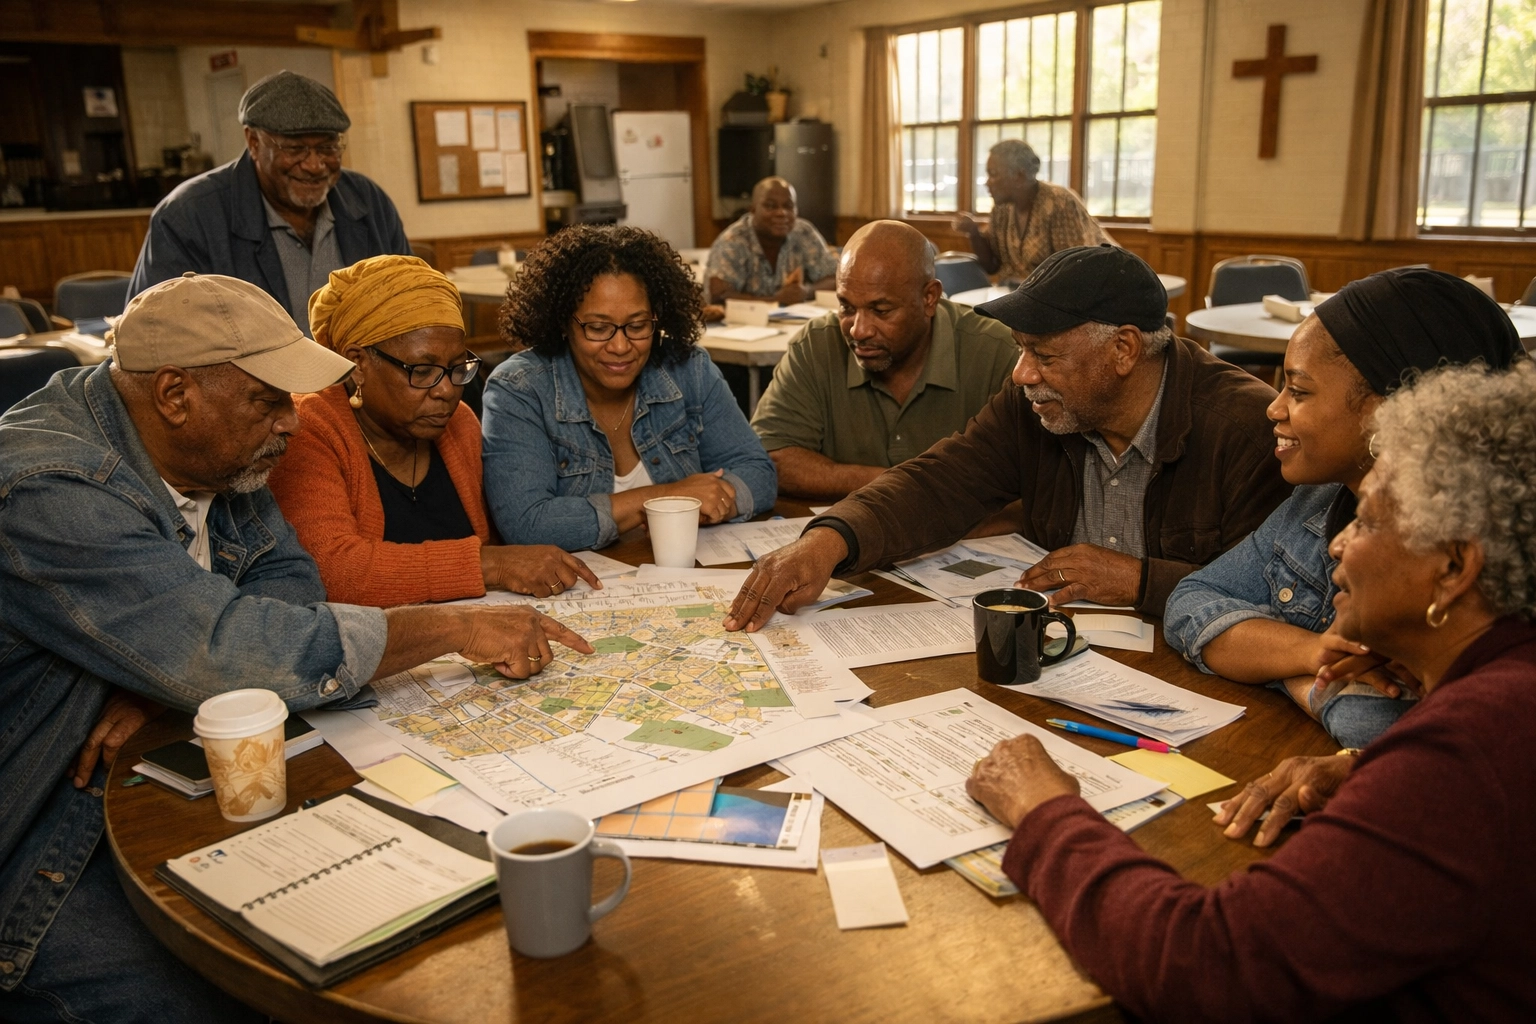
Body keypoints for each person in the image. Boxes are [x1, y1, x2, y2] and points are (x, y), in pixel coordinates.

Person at [0, 273, 591, 1023]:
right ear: (176, 395)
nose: (292, 421)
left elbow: (289, 583)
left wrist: (167, 671)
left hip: (160, 777)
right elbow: (235, 650)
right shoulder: (51, 487)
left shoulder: (212, 447)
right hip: (42, 847)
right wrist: (453, 625)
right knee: (251, 995)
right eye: (269, 399)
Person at [965, 360, 1536, 1021]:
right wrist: (1364, 772)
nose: (1339, 545)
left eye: (1370, 521)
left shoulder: (1467, 752)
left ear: (1456, 568)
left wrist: (1046, 813)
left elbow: (1204, 965)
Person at [725, 244, 1289, 629]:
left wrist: (1141, 581)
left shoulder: (1245, 430)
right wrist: (828, 542)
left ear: (1122, 350)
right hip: (1061, 655)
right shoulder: (1037, 405)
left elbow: (1278, 593)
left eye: (1042, 354)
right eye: (1021, 350)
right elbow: (939, 481)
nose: (1022, 373)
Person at [1165, 268, 1524, 748]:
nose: (1274, 408)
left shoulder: (1440, 548)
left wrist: (1274, 664)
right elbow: (1191, 602)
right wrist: (1313, 654)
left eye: (1300, 390)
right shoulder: (1321, 497)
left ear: (1387, 412)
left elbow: (1373, 727)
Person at [267, 255, 598, 607]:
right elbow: (334, 573)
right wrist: (490, 564)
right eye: (422, 370)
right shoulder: (307, 428)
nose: (446, 390)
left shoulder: (458, 424)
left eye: (458, 368)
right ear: (357, 364)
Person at [482, 226, 777, 551]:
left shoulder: (689, 369)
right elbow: (528, 524)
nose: (621, 346)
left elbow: (759, 473)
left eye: (637, 326)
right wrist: (668, 498)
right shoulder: (519, 389)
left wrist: (713, 506)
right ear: (563, 322)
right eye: (598, 328)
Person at [750, 220, 1018, 501]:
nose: (858, 330)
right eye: (846, 307)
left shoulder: (997, 352)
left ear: (929, 298)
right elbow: (772, 460)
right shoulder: (815, 345)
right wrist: (914, 484)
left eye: (881, 310)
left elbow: (1032, 478)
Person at [127, 70, 411, 334]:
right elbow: (154, 335)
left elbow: (412, 305)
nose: (314, 165)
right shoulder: (188, 216)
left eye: (327, 147)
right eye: (295, 148)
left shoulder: (368, 203)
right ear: (253, 141)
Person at [953, 139, 1112, 282]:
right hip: (1030, 298)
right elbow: (992, 266)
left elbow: (1076, 272)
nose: (987, 183)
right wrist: (974, 233)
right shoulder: (1002, 208)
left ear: (1019, 176)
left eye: (993, 174)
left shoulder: (1059, 202)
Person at [707, 177, 838, 305]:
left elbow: (836, 278)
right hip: (742, 324)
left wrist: (806, 291)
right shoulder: (732, 242)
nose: (781, 213)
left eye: (788, 206)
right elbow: (719, 296)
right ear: (752, 210)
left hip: (793, 320)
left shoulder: (803, 232)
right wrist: (775, 300)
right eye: (770, 206)